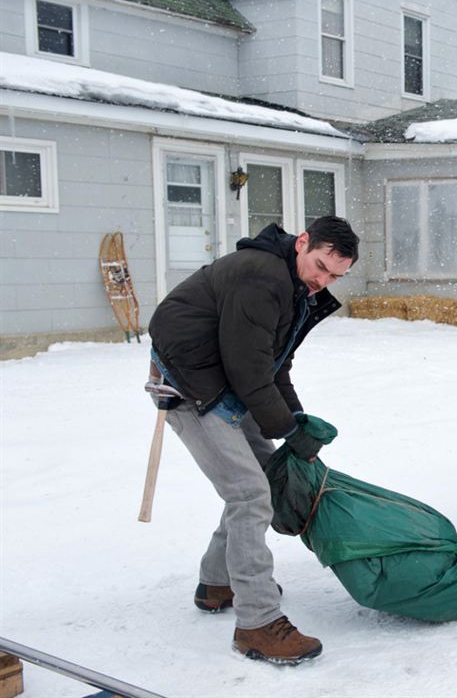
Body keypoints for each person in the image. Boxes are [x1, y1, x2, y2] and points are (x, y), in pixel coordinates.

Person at [147, 216, 358, 665]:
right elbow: (248, 369)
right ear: (303, 243)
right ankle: (258, 624)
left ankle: (218, 581)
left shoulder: (292, 285)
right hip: (190, 387)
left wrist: (296, 421)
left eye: (335, 276)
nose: (323, 281)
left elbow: (273, 365)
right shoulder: (263, 277)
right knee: (250, 494)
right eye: (320, 266)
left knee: (260, 478)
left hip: (219, 380)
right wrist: (285, 428)